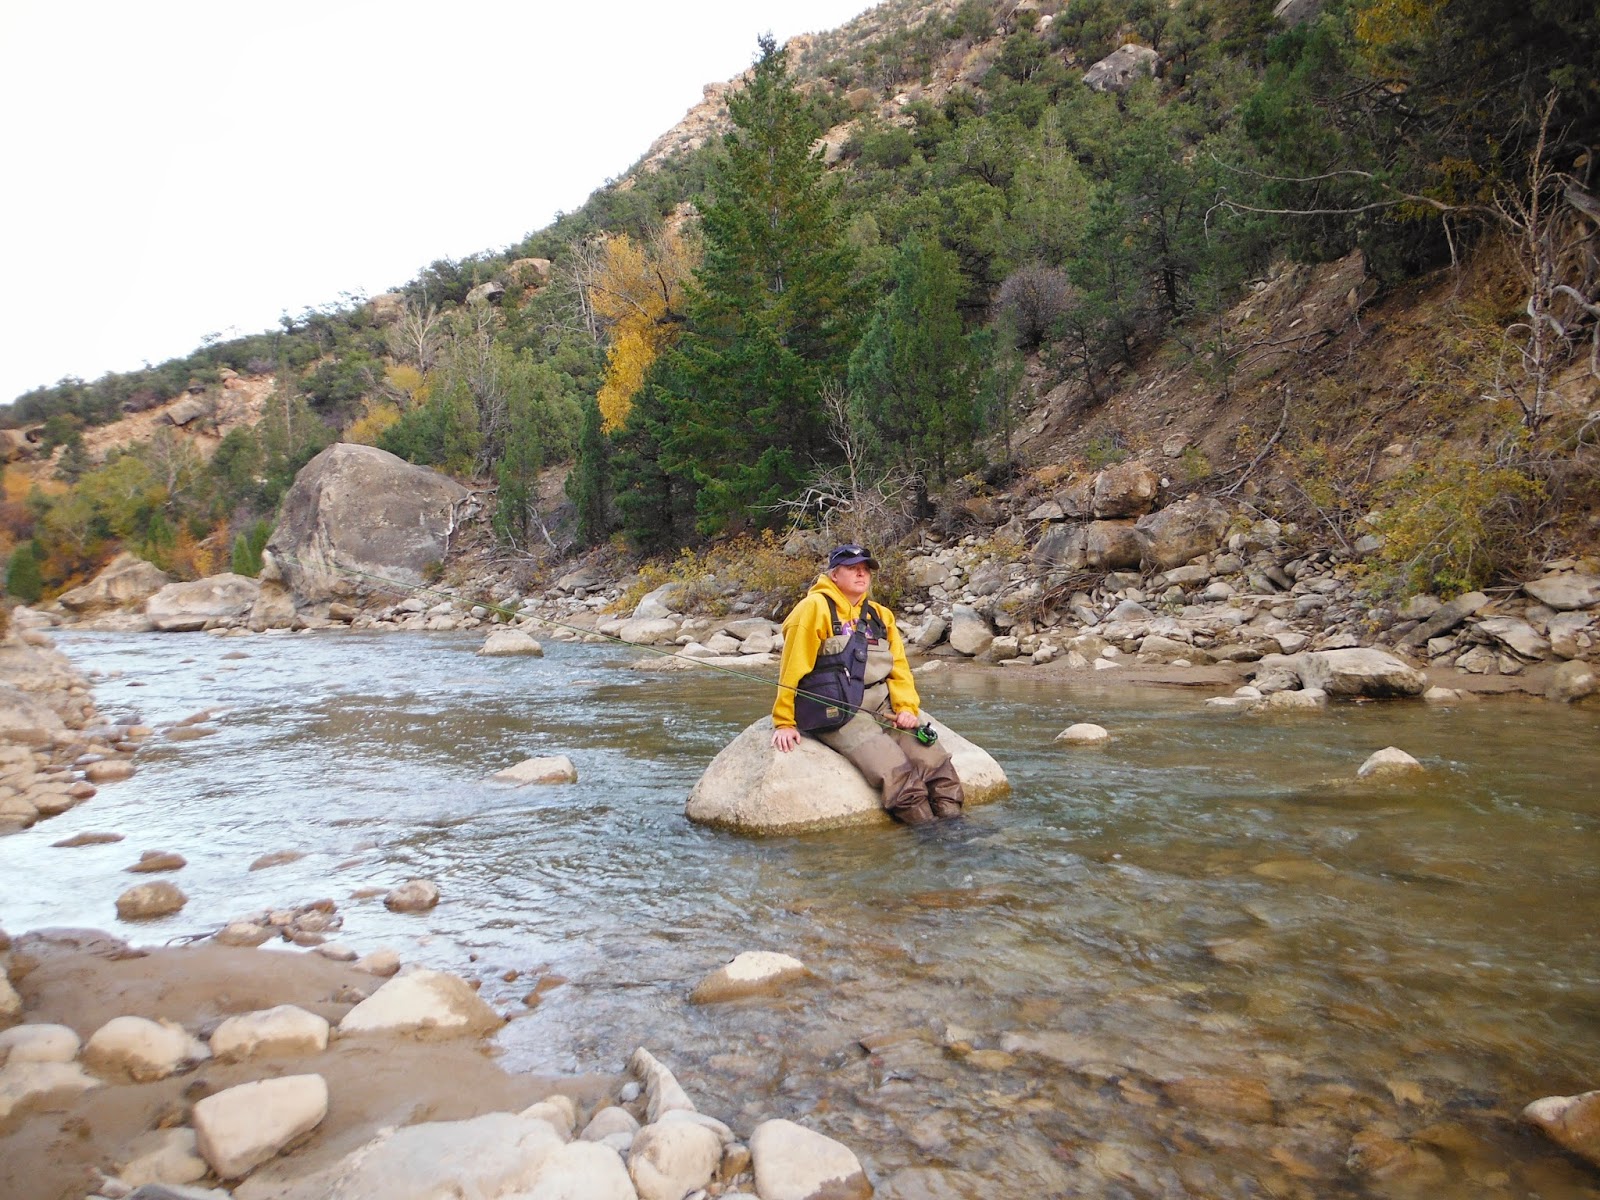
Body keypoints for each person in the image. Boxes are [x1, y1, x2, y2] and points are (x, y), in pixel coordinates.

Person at [770, 544, 964, 825]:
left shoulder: (880, 615)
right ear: (834, 575)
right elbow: (791, 669)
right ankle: (930, 838)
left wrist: (907, 708)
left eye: (866, 569)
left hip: (882, 705)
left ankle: (958, 829)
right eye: (853, 568)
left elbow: (899, 669)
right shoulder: (812, 609)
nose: (861, 574)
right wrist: (784, 722)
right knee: (898, 774)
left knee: (937, 764)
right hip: (836, 709)